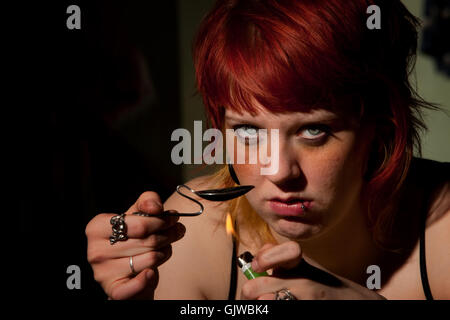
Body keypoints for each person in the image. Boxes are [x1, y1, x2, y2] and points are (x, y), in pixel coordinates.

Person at [85, 0, 450, 300]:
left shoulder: (441, 227)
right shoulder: (193, 236)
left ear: (382, 128)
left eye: (313, 130)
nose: (279, 172)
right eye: (248, 131)